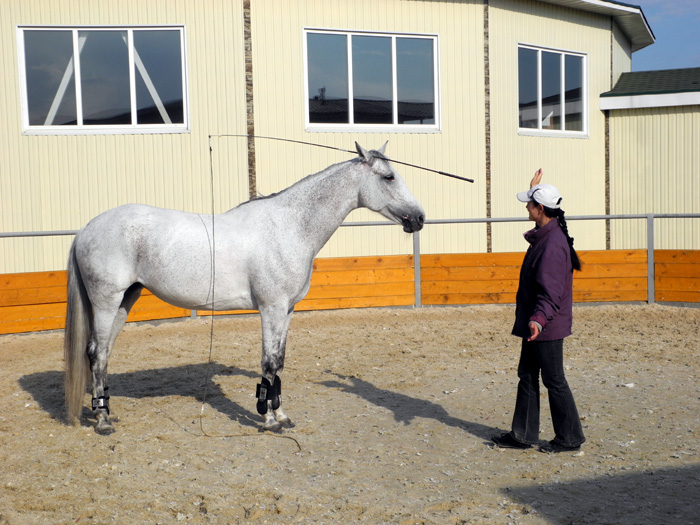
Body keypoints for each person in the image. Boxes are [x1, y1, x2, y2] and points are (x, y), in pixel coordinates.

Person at [492, 169, 586, 453]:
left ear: (540, 209)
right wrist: (533, 187)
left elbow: (551, 292)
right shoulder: (548, 235)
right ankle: (522, 435)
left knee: (553, 379)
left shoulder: (552, 245)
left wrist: (538, 319)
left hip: (545, 324)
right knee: (527, 374)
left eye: (530, 203)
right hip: (539, 322)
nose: (526, 208)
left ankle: (569, 438)